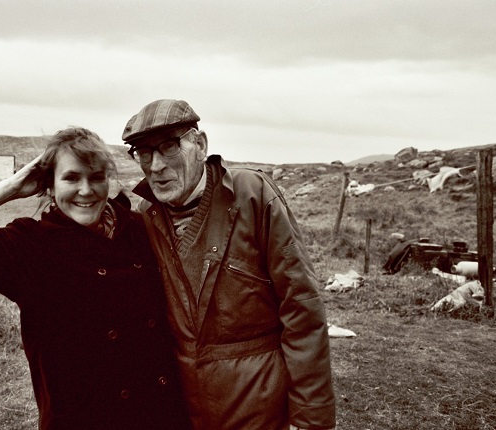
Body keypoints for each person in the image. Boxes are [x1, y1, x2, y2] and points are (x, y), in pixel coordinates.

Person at [0, 127, 190, 430]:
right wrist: (12, 186)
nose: (86, 190)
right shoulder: (32, 247)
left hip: (160, 415)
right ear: (49, 184)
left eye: (96, 177)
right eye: (71, 178)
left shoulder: (139, 230)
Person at [122, 100, 336, 430]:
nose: (155, 165)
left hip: (259, 408)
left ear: (200, 143)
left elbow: (302, 311)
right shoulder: (145, 215)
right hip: (183, 410)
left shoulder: (253, 195)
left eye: (168, 146)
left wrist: (311, 422)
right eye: (143, 152)